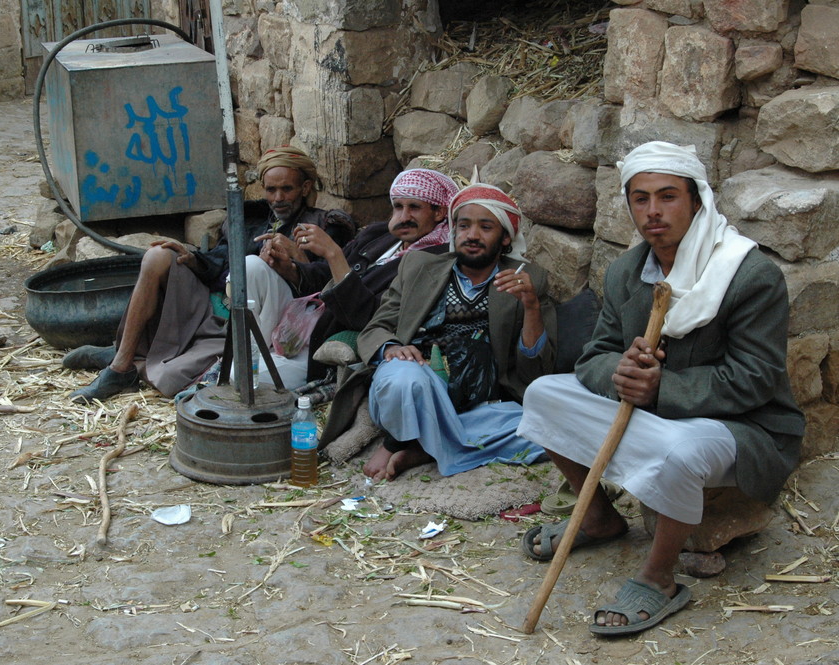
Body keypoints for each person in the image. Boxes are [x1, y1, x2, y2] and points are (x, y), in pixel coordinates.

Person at [516, 141, 805, 636]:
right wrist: (618, 372)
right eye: (641, 198)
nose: (653, 211)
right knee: (544, 394)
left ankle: (660, 578)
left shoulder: (748, 275)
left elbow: (756, 377)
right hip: (653, 408)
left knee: (678, 452)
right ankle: (600, 519)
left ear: (697, 201)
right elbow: (597, 353)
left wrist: (661, 388)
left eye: (668, 196)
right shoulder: (629, 271)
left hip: (737, 424)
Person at [63, 146, 354, 402]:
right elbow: (221, 264)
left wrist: (295, 259)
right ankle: (120, 363)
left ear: (304, 188)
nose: (277, 198)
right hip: (218, 302)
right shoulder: (250, 217)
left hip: (262, 325)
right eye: (270, 190)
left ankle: (133, 356)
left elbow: (327, 288)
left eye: (287, 190)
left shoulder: (326, 226)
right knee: (158, 257)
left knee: (168, 380)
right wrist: (194, 259)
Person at [327, 178, 556, 482]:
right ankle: (402, 440)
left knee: (550, 432)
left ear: (505, 238)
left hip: (480, 406)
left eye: (486, 227)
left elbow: (536, 371)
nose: (472, 235)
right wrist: (391, 348)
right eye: (464, 226)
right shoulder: (419, 266)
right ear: (453, 230)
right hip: (415, 380)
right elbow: (377, 327)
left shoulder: (527, 279)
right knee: (403, 379)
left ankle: (421, 450)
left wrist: (531, 307)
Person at [259, 168, 459, 387]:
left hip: (321, 341)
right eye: (398, 207)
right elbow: (327, 276)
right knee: (254, 267)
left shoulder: (434, 261)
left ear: (439, 212)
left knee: (241, 373)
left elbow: (371, 318)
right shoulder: (380, 234)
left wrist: (333, 253)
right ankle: (252, 348)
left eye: (414, 208)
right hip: (301, 323)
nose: (403, 217)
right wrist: (290, 269)